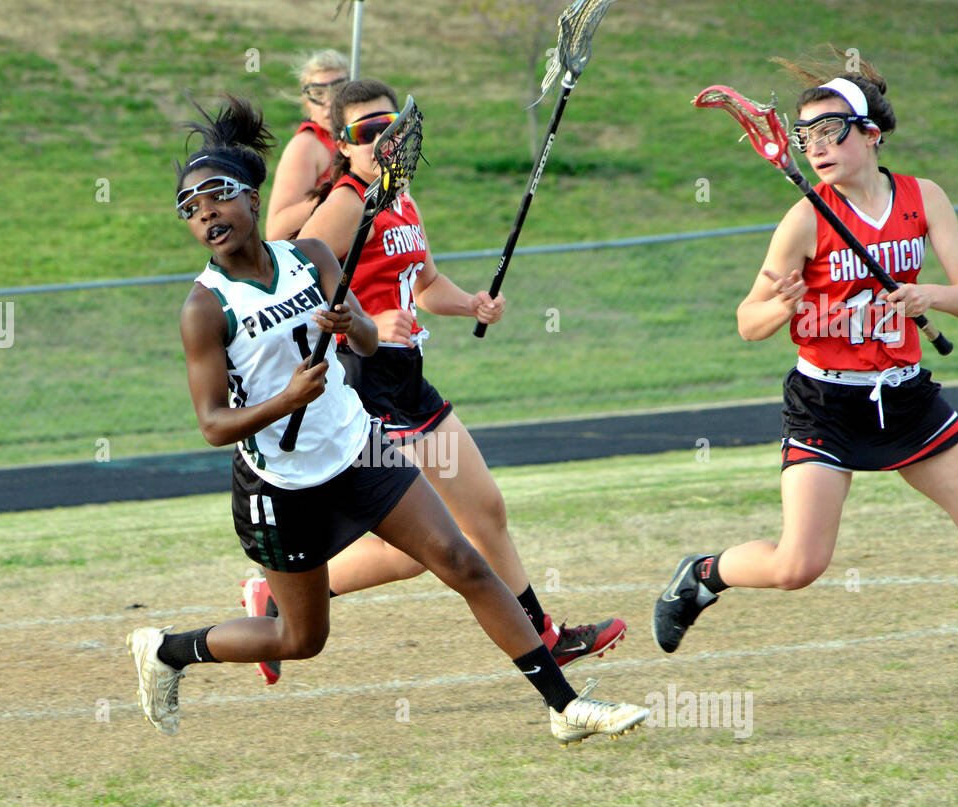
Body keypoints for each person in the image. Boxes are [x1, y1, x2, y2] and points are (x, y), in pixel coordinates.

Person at [127, 94, 650, 747]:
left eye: (218, 195)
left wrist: (354, 326)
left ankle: (564, 707)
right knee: (302, 638)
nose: (205, 211)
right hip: (278, 487)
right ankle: (169, 652)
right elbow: (212, 424)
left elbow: (371, 342)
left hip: (358, 453)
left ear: (253, 201)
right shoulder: (205, 308)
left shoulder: (312, 258)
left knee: (461, 558)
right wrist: (285, 400)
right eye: (191, 207)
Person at [652, 57, 958, 703]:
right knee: (798, 566)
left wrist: (929, 297)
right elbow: (747, 323)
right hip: (826, 403)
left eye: (829, 131)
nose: (815, 147)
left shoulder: (925, 199)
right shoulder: (806, 218)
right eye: (805, 136)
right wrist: (781, 304)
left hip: (906, 395)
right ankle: (703, 574)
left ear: (871, 133)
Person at [240, 78, 627, 686]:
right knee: (428, 546)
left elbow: (423, 283)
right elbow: (295, 286)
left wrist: (470, 304)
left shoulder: (401, 199)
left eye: (391, 128)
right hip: (363, 383)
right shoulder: (345, 204)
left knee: (480, 514)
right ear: (343, 145)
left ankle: (543, 635)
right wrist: (364, 323)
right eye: (367, 133)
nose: (383, 141)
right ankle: (277, 594)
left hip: (409, 380)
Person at [265, 49, 349, 241]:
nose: (329, 101)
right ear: (307, 101)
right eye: (318, 93)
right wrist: (338, 194)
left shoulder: (359, 140)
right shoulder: (307, 146)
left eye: (338, 90)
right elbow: (277, 231)